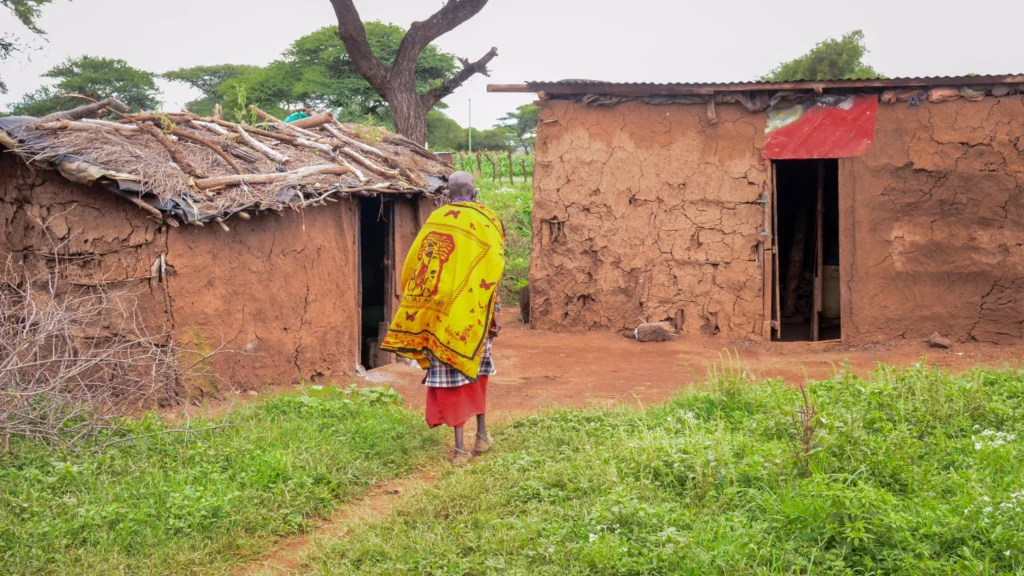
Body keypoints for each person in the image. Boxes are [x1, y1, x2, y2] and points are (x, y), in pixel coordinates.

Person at [381, 171, 505, 466]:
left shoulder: (436, 219)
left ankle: (460, 449)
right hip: (473, 315)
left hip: (437, 314)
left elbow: (413, 265)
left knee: (452, 381)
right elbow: (494, 268)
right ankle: (482, 436)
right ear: (475, 194)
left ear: (447, 194)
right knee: (477, 373)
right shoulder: (488, 221)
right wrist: (494, 310)